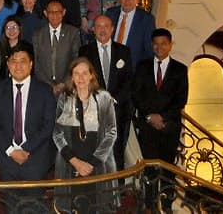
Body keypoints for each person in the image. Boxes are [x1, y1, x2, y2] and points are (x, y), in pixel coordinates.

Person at [52, 57, 117, 212]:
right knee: (72, 206)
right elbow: (57, 133)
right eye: (76, 73)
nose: (80, 78)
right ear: (71, 77)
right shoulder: (64, 98)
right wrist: (76, 162)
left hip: (98, 162)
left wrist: (91, 163)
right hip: (71, 161)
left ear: (91, 75)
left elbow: (111, 132)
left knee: (98, 206)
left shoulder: (104, 98)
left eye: (84, 73)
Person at [132, 28, 189, 206]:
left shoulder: (180, 69)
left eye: (163, 43)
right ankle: (149, 205)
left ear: (170, 45)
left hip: (169, 127)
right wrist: (150, 116)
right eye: (156, 44)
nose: (159, 47)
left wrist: (161, 117)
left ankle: (166, 205)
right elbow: (136, 95)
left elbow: (181, 99)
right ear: (152, 45)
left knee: (168, 169)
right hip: (148, 126)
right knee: (149, 169)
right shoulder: (142, 66)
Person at [0, 45, 57, 186]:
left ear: (31, 64)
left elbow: (48, 125)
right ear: (8, 64)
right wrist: (11, 151)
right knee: (10, 204)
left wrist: (26, 149)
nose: (18, 66)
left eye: (23, 61)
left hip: (36, 157)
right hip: (6, 157)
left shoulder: (45, 91)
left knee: (35, 204)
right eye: (14, 61)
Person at [78, 15, 133, 171]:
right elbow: (82, 80)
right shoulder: (85, 51)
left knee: (117, 151)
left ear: (112, 28)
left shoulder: (124, 51)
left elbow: (129, 80)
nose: (102, 29)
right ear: (93, 29)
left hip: (119, 110)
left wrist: (113, 100)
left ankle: (118, 189)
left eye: (106, 26)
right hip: (93, 111)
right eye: (98, 26)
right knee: (94, 151)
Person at [33, 0, 82, 94]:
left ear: (63, 12)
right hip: (44, 87)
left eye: (58, 12)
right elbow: (36, 63)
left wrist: (64, 83)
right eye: (51, 12)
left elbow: (76, 60)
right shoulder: (38, 34)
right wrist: (49, 85)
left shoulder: (73, 33)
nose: (54, 15)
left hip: (67, 86)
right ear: (45, 13)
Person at [105, 0, 156, 68]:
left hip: (133, 69)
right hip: (109, 66)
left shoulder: (146, 19)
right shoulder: (110, 14)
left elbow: (149, 50)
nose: (127, 0)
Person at [0, 16, 35, 81]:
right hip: (3, 84)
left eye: (14, 27)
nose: (11, 30)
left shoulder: (27, 47)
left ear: (19, 29)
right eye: (8, 27)